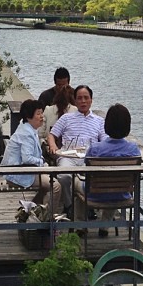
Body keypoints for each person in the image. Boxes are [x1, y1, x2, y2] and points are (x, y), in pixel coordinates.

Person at [74, 104, 141, 237]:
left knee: (75, 182)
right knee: (115, 185)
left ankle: (80, 224)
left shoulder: (96, 148)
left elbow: (84, 171)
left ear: (107, 125)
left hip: (94, 195)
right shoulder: (133, 150)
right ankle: (104, 225)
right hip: (122, 194)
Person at [47, 85, 107, 216]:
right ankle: (69, 205)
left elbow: (105, 141)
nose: (83, 101)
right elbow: (51, 135)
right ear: (74, 100)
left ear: (91, 100)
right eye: (79, 98)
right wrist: (53, 146)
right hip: (68, 156)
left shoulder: (99, 121)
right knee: (64, 176)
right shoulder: (66, 118)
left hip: (89, 159)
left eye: (86, 98)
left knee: (94, 176)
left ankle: (89, 205)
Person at [1, 99, 62, 215]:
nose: (42, 117)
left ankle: (29, 212)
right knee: (56, 186)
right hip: (19, 173)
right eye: (38, 114)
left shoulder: (26, 127)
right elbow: (27, 159)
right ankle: (47, 219)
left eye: (41, 113)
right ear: (29, 117)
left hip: (21, 170)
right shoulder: (26, 134)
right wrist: (42, 162)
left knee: (46, 186)